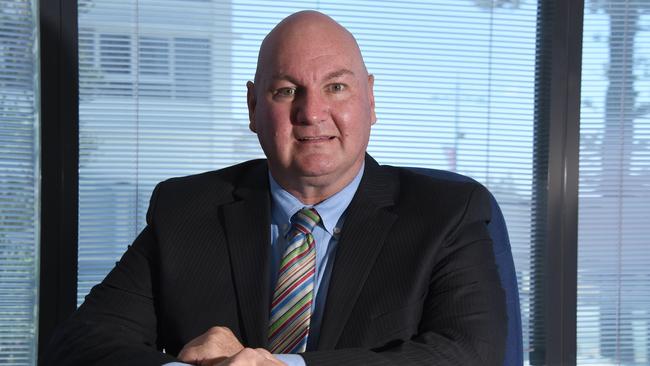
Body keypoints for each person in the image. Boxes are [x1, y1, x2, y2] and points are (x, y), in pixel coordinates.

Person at [44, 10, 506, 366]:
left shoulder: (447, 213)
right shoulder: (185, 209)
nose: (312, 112)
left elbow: (468, 355)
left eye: (337, 87)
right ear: (252, 107)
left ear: (371, 99)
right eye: (286, 91)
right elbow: (79, 344)